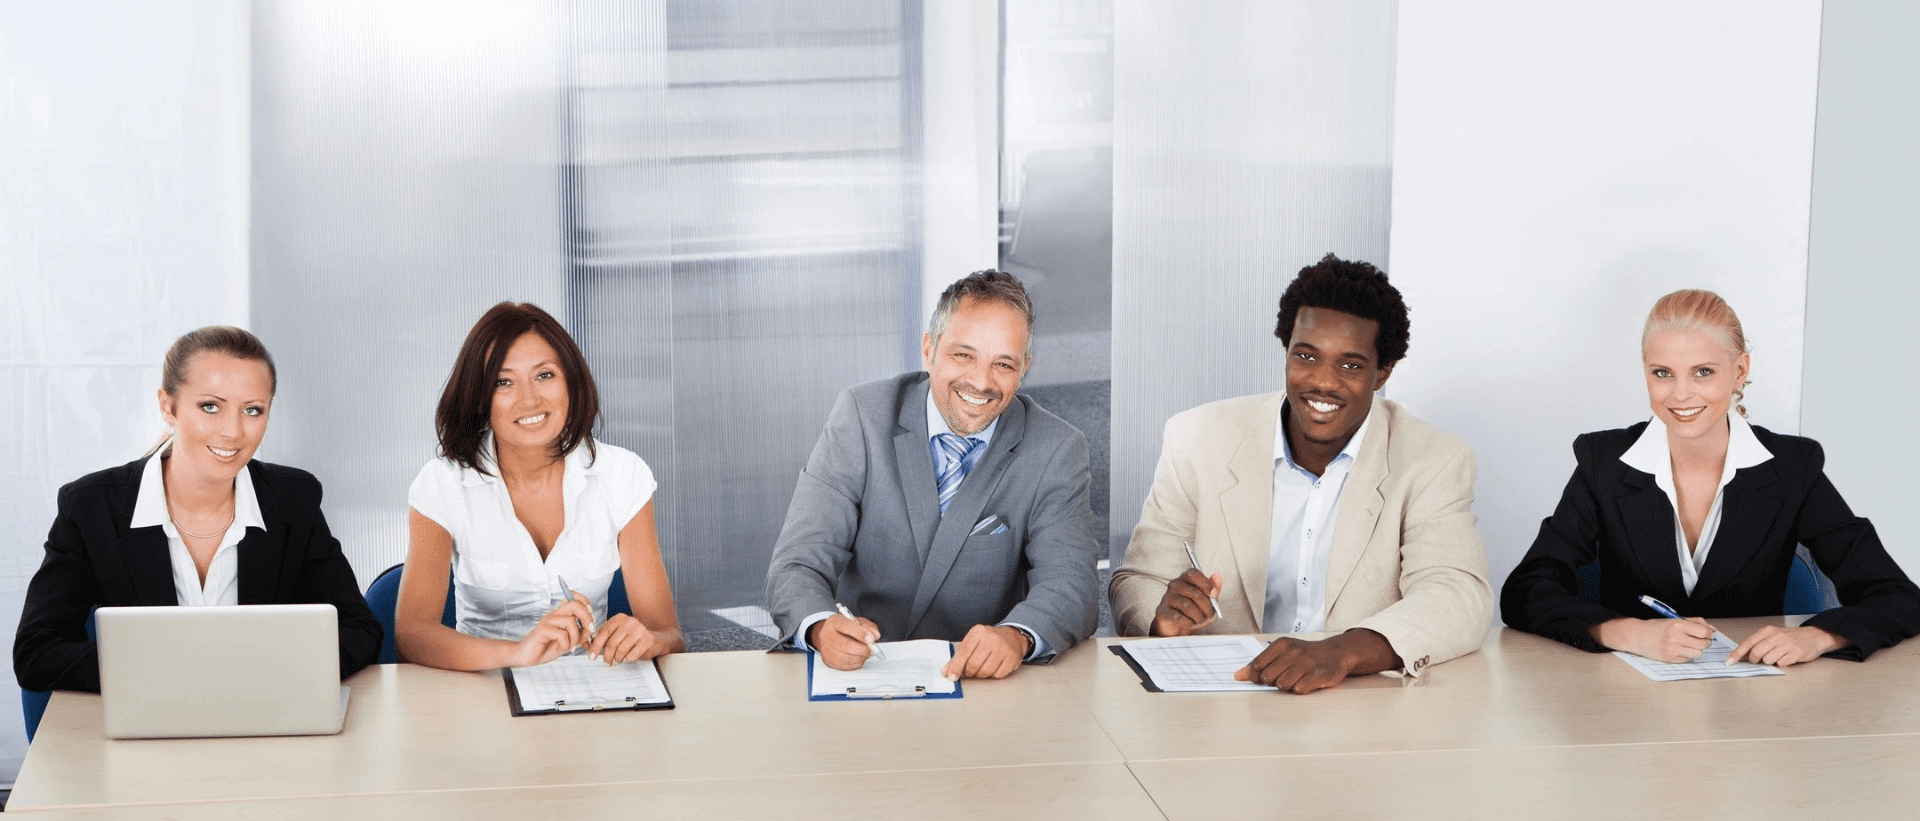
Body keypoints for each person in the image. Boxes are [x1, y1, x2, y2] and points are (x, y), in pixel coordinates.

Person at [1109, 253, 1494, 694]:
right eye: (1306, 356)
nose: (1322, 382)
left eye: (1350, 365)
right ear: (1287, 351)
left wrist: (1342, 651)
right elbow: (1138, 580)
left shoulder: (1434, 459)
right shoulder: (1197, 437)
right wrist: (1160, 622)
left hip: (1355, 706)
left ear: (1382, 372)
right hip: (1216, 703)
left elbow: (1457, 595)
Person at [1501, 289, 1920, 665]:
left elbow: (1896, 595)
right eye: (1662, 373)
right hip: (1628, 696)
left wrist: (1819, 636)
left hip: (1753, 696)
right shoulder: (1605, 462)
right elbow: (1526, 591)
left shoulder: (1792, 466)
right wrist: (1630, 633)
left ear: (1739, 371)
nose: (1680, 394)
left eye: (1703, 372)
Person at [765, 270, 1098, 680]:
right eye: (964, 355)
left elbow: (1072, 584)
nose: (981, 381)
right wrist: (818, 626)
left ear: (1024, 367)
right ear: (929, 350)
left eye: (1004, 364)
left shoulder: (1057, 448)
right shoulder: (863, 416)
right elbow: (797, 564)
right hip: (861, 675)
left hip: (981, 685)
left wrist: (1017, 636)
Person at [15, 327, 382, 692]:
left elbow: (358, 630)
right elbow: (38, 652)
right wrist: (180, 672)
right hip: (150, 721)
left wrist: (267, 673)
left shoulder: (292, 500)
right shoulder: (93, 507)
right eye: (211, 406)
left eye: (253, 410)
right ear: (167, 406)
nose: (233, 432)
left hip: (263, 719)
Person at [397, 302, 682, 670]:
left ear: (570, 382)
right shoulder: (441, 485)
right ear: (480, 399)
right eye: (504, 382)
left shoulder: (622, 475)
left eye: (544, 375)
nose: (529, 399)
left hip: (592, 694)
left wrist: (648, 641)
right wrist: (516, 654)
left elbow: (670, 637)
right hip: (482, 693)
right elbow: (412, 636)